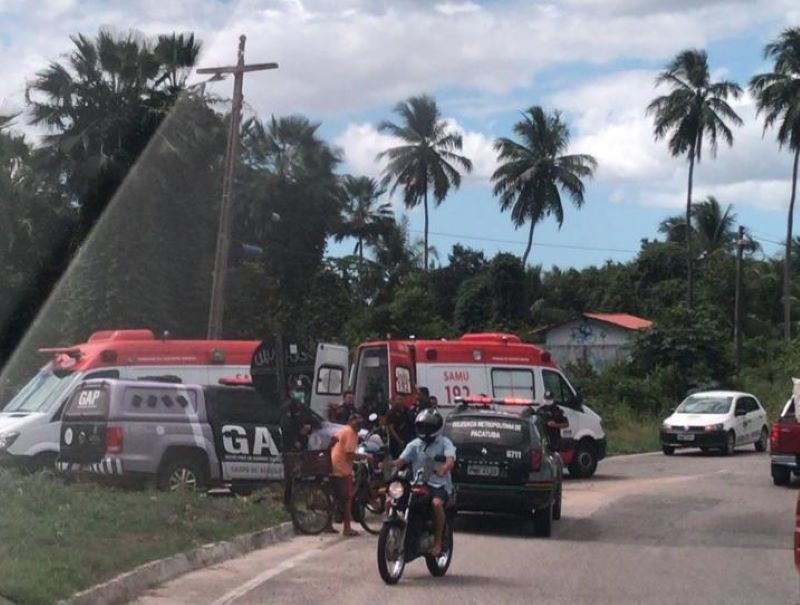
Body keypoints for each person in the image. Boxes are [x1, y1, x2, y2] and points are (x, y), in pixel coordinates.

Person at [395, 408, 456, 557]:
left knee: (436, 504)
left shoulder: (445, 442)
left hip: (439, 485)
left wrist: (444, 468)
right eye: (422, 426)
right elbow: (400, 461)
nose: (424, 430)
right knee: (393, 497)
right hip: (417, 484)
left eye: (427, 427)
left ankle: (438, 542)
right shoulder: (414, 444)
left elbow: (450, 460)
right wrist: (387, 466)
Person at [328, 413, 371, 536]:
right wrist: (366, 456)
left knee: (335, 497)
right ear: (351, 422)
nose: (359, 426)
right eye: (357, 423)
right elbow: (349, 455)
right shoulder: (351, 433)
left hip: (333, 464)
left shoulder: (344, 430)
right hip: (342, 467)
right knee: (347, 499)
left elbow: (333, 440)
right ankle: (347, 527)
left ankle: (327, 525)